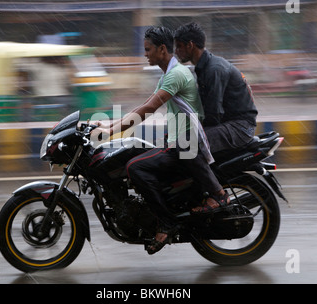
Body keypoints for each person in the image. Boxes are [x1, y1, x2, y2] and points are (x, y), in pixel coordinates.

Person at [92, 26, 223, 254]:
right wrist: (108, 126)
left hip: (187, 142)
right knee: (134, 153)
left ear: (162, 49)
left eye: (148, 49)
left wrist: (110, 132)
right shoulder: (168, 74)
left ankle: (167, 222)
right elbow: (143, 105)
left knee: (136, 167)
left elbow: (149, 109)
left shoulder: (176, 74)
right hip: (178, 138)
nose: (145, 54)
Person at [174, 22, 258, 213]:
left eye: (179, 46)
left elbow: (213, 114)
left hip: (239, 127)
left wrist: (189, 132)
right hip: (229, 124)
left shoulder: (213, 69)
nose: (176, 51)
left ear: (190, 45)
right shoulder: (203, 68)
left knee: (187, 145)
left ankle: (218, 195)